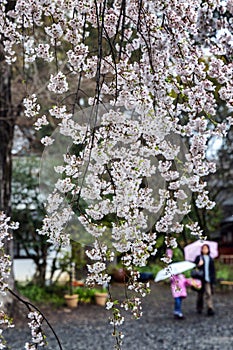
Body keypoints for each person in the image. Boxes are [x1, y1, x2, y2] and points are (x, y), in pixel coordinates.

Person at [194, 244, 216, 316]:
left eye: (206, 248)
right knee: (200, 295)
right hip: (200, 279)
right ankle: (199, 307)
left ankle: (210, 308)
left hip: (208, 279)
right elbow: (194, 267)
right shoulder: (198, 258)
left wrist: (213, 279)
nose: (205, 250)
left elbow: (213, 270)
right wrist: (199, 265)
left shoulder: (210, 259)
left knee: (209, 293)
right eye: (203, 248)